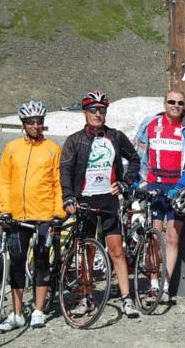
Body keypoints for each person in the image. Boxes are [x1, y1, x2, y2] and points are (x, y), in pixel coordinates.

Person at [60, 91, 141, 318]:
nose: (98, 114)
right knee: (85, 251)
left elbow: (135, 159)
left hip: (108, 199)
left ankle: (126, 299)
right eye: (93, 110)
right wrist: (68, 196)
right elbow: (65, 170)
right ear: (85, 113)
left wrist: (125, 183)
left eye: (102, 110)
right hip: (84, 200)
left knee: (117, 250)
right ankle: (86, 298)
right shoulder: (74, 140)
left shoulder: (115, 136)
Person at [0, 101, 64, 331]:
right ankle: (16, 314)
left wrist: (58, 213)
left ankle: (38, 310)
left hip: (44, 214)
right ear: (23, 124)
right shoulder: (12, 148)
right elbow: (4, 181)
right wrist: (5, 210)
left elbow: (58, 183)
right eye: (31, 122)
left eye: (39, 121)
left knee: (42, 262)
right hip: (17, 216)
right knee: (16, 263)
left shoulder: (52, 149)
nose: (36, 125)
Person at [133, 90, 185, 303]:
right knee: (154, 237)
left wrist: (180, 186)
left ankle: (165, 286)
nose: (176, 105)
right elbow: (139, 154)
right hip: (155, 186)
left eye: (180, 103)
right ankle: (153, 283)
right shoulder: (151, 124)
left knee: (172, 238)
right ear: (164, 103)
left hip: (177, 189)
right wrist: (137, 181)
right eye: (172, 102)